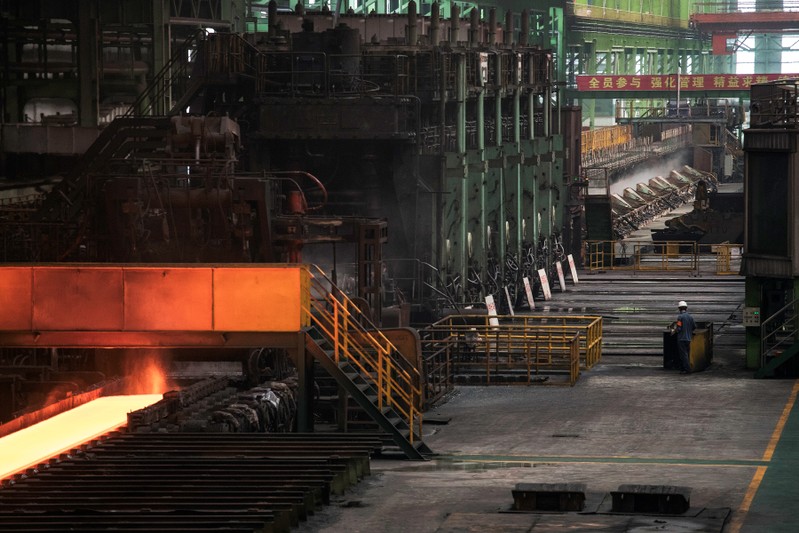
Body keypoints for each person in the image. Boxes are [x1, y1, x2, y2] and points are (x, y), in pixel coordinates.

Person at [675, 300, 696, 374]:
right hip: (688, 338)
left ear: (679, 309)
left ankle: (687, 370)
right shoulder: (690, 317)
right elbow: (694, 326)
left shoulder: (680, 317)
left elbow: (679, 328)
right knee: (687, 353)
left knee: (683, 355)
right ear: (686, 308)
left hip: (681, 339)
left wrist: (675, 330)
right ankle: (684, 369)